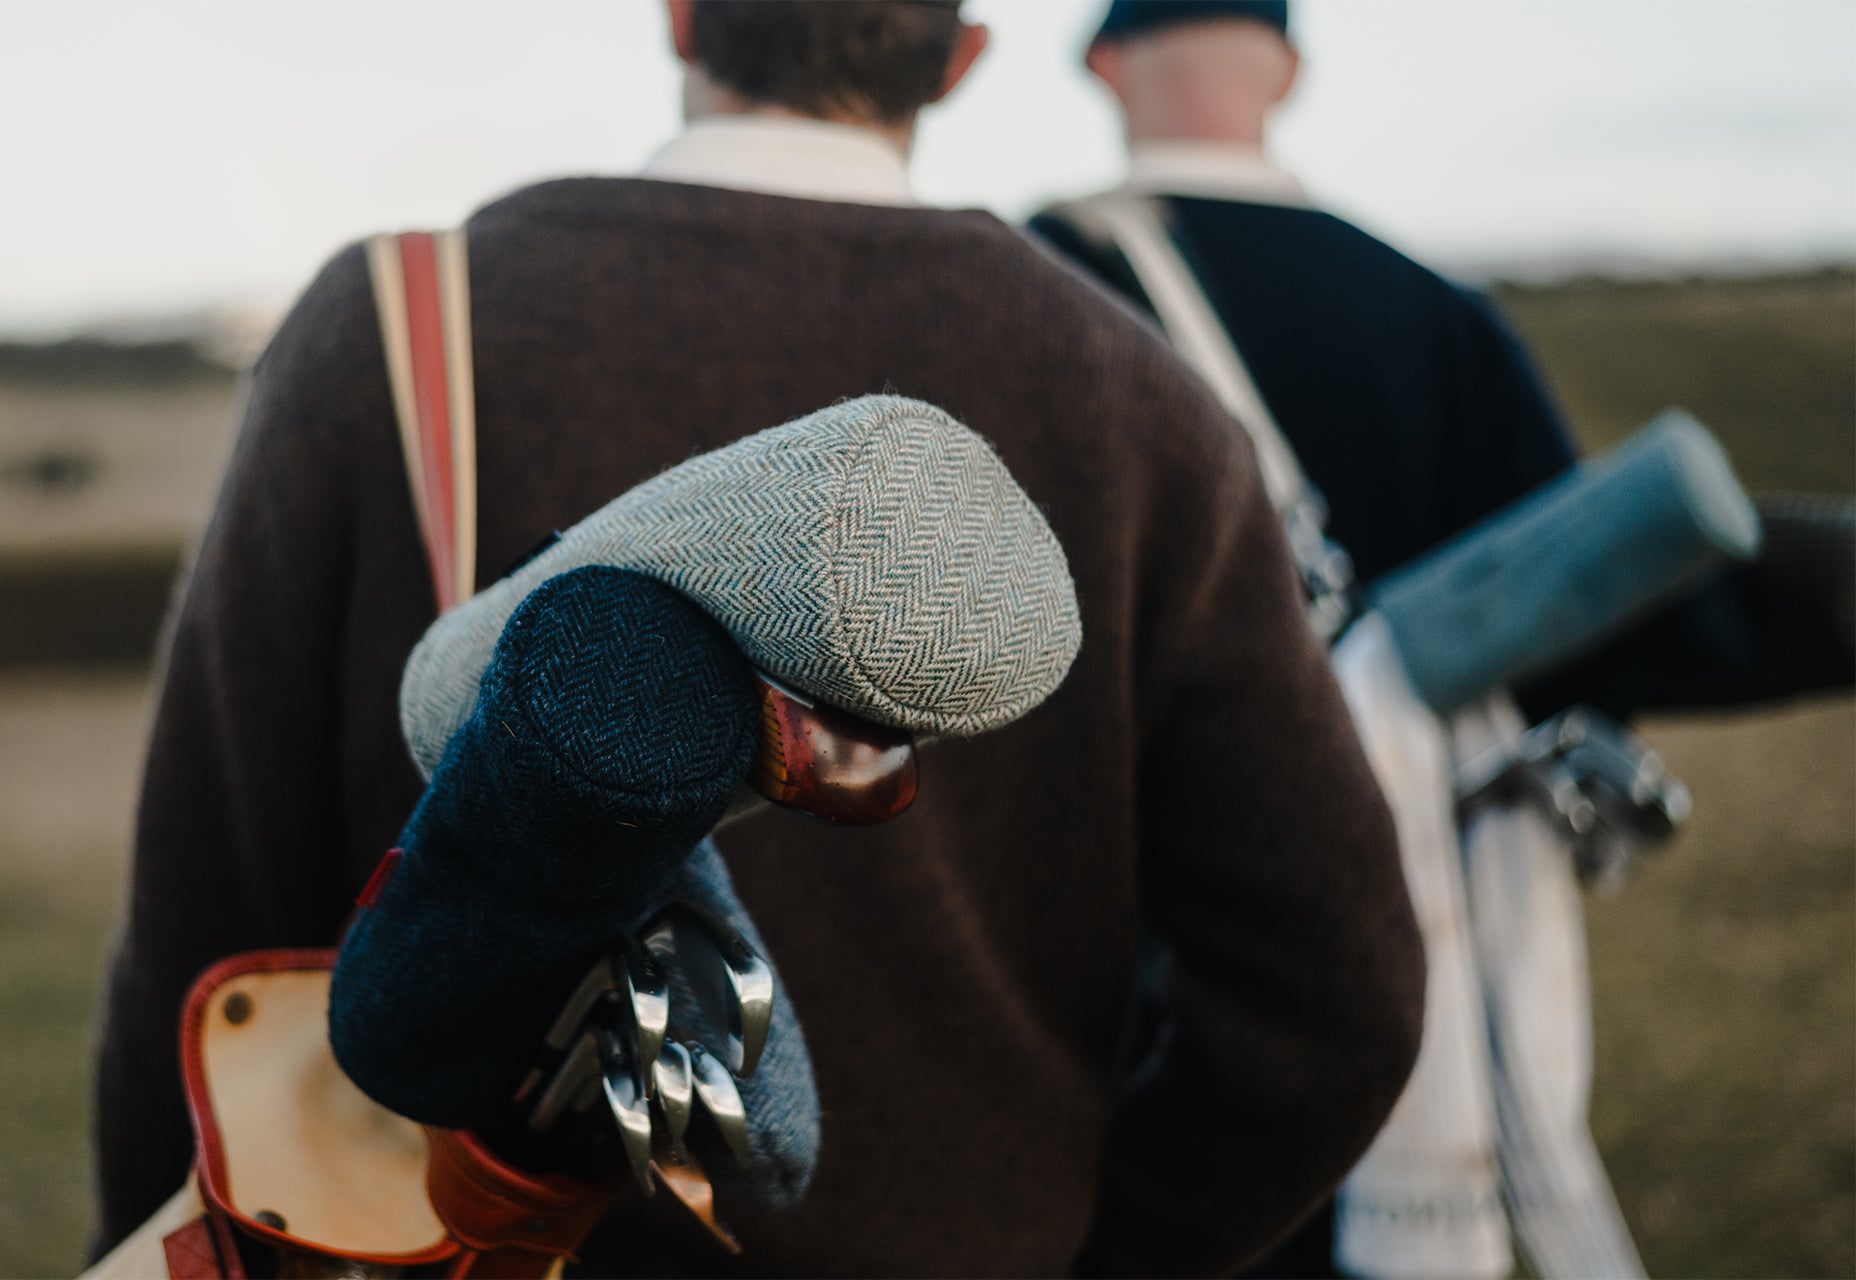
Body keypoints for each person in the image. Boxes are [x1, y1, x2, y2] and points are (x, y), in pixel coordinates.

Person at [92, 3, 1428, 1275]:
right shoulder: (1137, 391)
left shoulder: (391, 324)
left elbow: (206, 897)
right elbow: (1339, 995)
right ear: (958, 57)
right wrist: (1090, 1252)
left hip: (448, 1252)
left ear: (682, 15)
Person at [1031, 3, 1853, 1276]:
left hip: (1098, 971)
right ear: (1291, 72)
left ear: (1101, 61)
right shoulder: (1433, 313)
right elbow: (1605, 630)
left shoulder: (1027, 294)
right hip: (1386, 948)